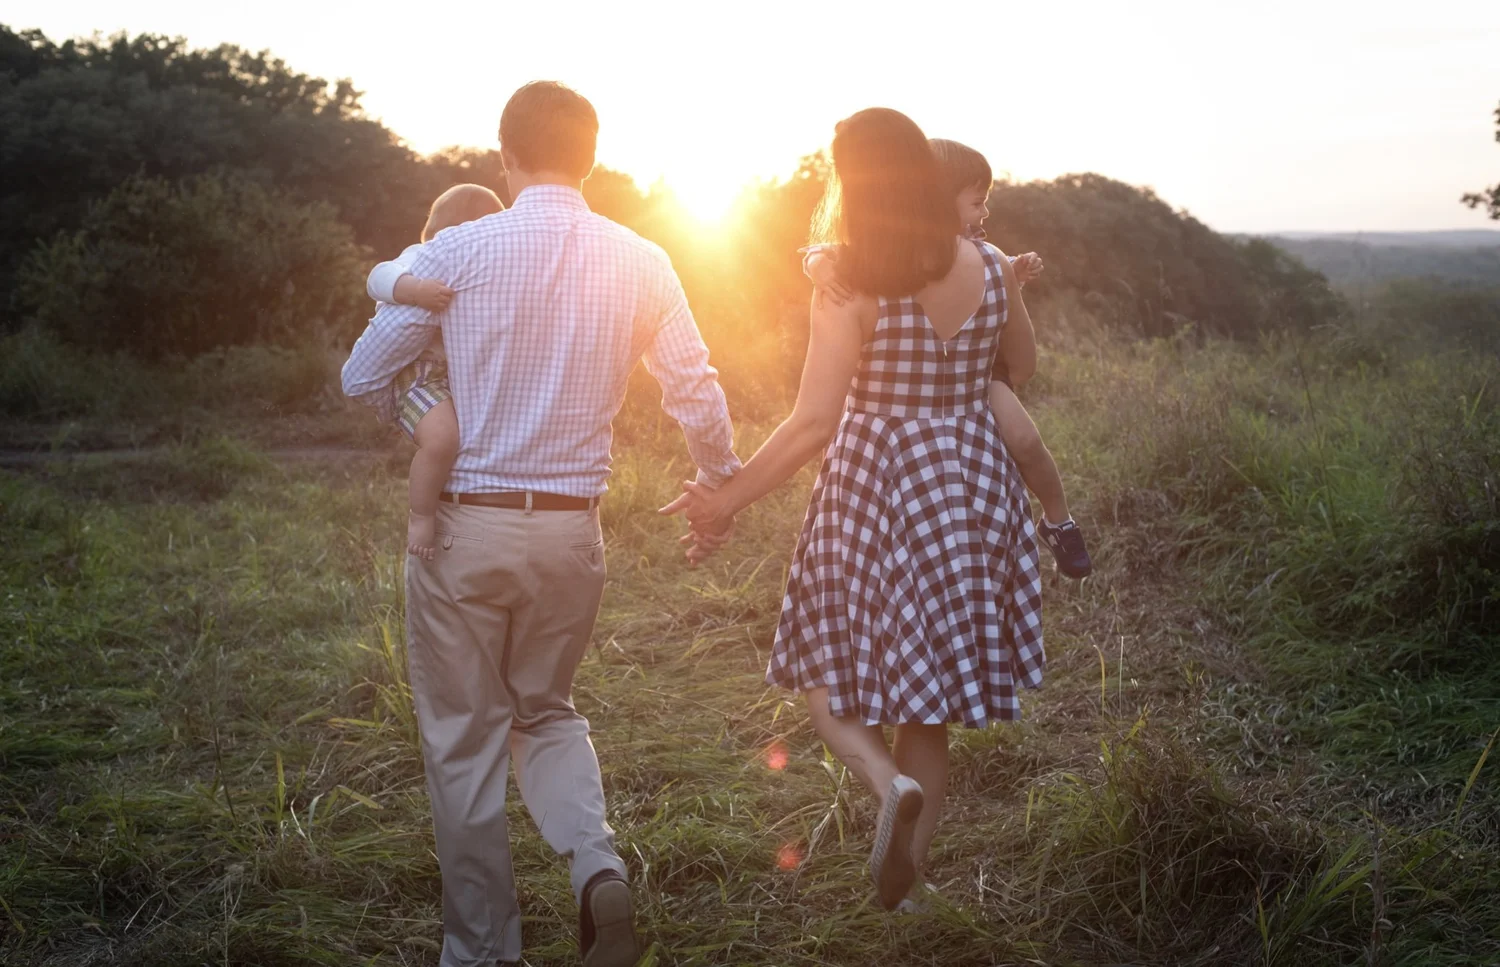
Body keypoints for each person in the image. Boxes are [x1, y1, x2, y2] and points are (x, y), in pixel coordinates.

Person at [343, 80, 741, 967]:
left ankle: (484, 953)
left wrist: (432, 413)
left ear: (506, 155)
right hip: (572, 535)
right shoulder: (643, 258)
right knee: (547, 713)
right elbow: (695, 388)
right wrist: (720, 482)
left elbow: (363, 372)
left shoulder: (461, 248)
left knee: (463, 744)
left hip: (464, 533)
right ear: (590, 156)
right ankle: (597, 867)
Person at [663, 108, 1045, 912]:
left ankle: (884, 780)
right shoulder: (984, 260)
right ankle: (908, 885)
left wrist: (725, 495)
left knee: (824, 671)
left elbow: (811, 421)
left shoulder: (848, 278)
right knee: (928, 703)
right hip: (973, 486)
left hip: (877, 487)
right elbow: (1019, 365)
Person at [803, 139, 1092, 578]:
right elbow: (822, 251)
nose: (985, 214)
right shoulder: (887, 254)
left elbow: (1012, 341)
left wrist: (1014, 279)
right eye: (978, 203)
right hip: (936, 378)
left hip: (981, 370)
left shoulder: (984, 253)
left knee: (1026, 440)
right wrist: (816, 266)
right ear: (936, 199)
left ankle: (1058, 520)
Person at [358, 184, 504, 560]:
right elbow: (377, 277)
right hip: (418, 374)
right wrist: (415, 290)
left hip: (454, 378)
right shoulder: (422, 256)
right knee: (441, 440)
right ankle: (421, 516)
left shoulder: (487, 274)